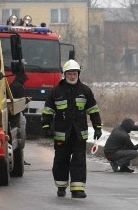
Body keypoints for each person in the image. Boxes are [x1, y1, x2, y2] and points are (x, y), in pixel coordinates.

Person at [41, 59, 103, 199]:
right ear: (65, 75)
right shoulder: (56, 92)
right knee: (60, 161)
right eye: (70, 74)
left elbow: (93, 110)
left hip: (79, 134)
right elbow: (48, 111)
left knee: (79, 161)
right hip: (62, 135)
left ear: (78, 74)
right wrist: (46, 126)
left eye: (75, 74)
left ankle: (77, 189)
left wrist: (97, 127)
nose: (72, 76)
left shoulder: (85, 91)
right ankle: (61, 186)